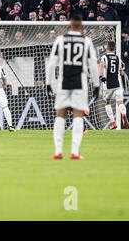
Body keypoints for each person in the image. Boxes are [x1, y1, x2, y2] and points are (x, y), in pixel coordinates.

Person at [46, 15, 100, 160]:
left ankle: (58, 151)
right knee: (78, 115)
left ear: (69, 25)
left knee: (60, 114)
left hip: (63, 82)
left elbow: (52, 64)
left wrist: (49, 83)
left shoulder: (60, 40)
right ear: (81, 26)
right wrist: (96, 84)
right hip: (79, 82)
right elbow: (93, 64)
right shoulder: (86, 41)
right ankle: (75, 152)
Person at [100, 41, 129, 129]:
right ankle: (123, 113)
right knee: (120, 102)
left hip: (107, 84)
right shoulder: (118, 58)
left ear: (107, 48)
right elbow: (121, 72)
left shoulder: (104, 57)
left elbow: (102, 66)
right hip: (117, 83)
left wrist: (101, 76)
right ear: (115, 49)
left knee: (107, 102)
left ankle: (113, 123)